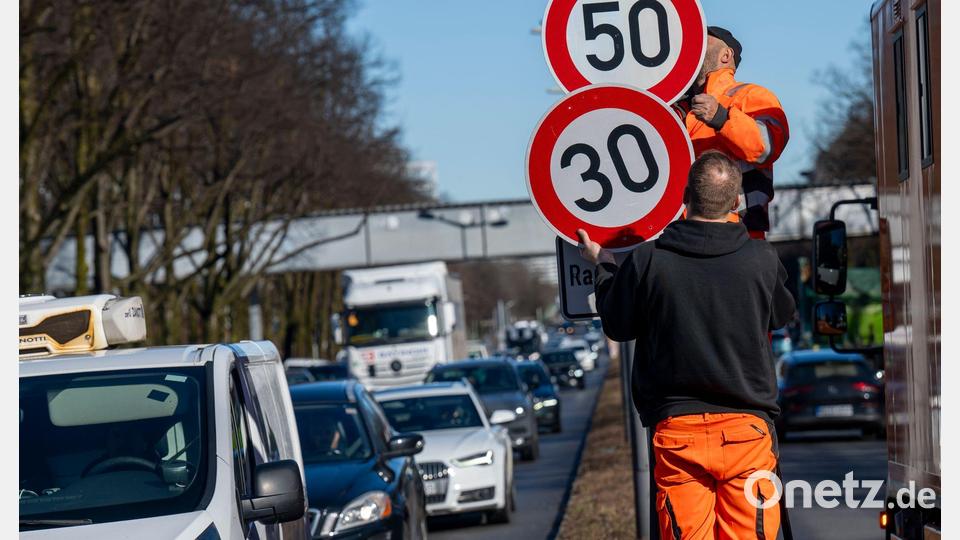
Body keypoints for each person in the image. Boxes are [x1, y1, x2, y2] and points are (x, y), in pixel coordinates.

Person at [577, 151, 796, 540]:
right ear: (735, 202)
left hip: (678, 431)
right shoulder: (761, 260)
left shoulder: (649, 261)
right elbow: (781, 314)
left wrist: (604, 265)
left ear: (684, 196)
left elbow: (618, 323)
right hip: (747, 430)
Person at [675, 27, 790, 238]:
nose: (694, 46)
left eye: (703, 41)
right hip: (678, 234)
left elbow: (767, 145)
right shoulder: (675, 108)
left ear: (726, 54)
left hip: (738, 234)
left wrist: (722, 118)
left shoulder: (751, 95)